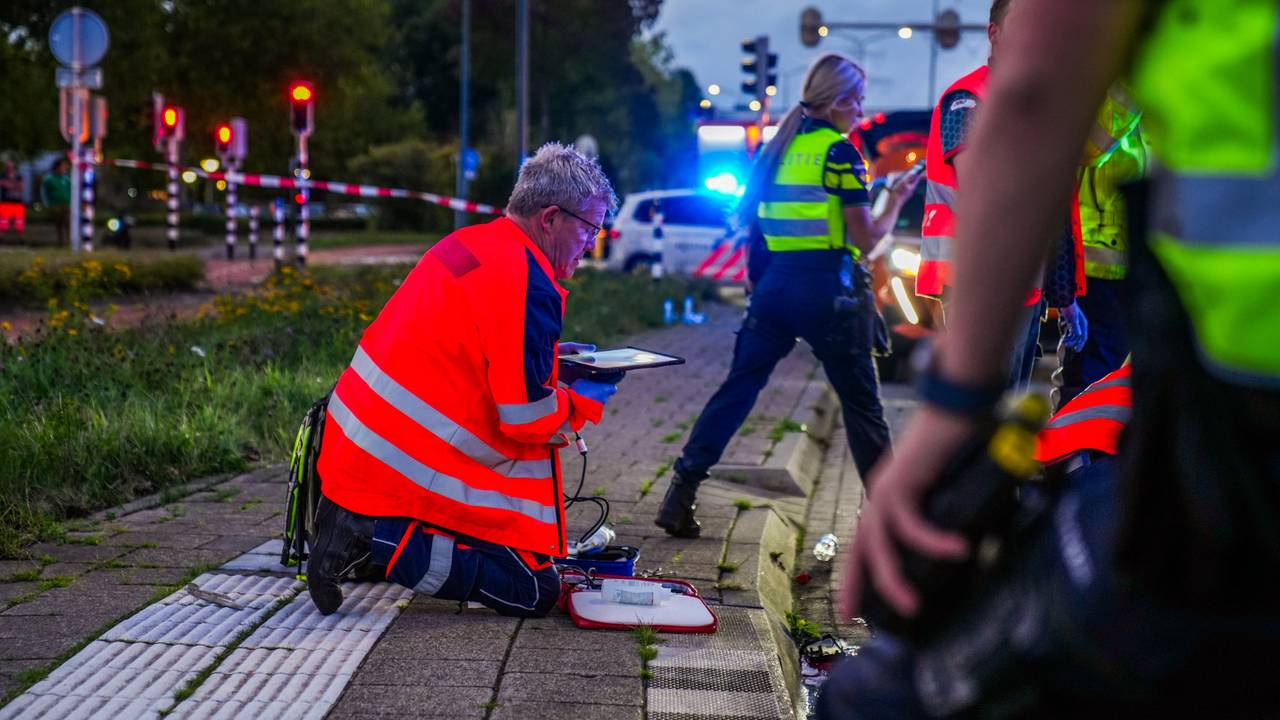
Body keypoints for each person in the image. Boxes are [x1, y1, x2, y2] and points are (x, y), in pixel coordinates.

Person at [824, 0, 1280, 715]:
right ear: (990, 33)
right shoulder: (967, 97)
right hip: (1044, 304)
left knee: (885, 700)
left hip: (1232, 403)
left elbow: (1040, 102)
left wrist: (955, 406)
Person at [307, 143, 620, 618]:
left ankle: (364, 531)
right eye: (590, 228)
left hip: (358, 446)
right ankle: (372, 535)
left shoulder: (474, 243)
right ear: (551, 217)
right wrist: (584, 398)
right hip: (401, 469)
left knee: (529, 567)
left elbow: (467, 343)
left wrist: (549, 359)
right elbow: (525, 419)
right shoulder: (528, 280)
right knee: (533, 591)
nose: (591, 243)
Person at [654, 53, 921, 538]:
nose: (861, 111)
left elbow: (757, 225)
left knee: (737, 390)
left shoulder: (775, 150)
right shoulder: (841, 153)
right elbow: (866, 240)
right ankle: (892, 528)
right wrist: (895, 201)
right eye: (858, 100)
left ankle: (680, 492)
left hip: (777, 288)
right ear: (838, 101)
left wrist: (759, 280)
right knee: (862, 409)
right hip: (830, 294)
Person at [914, 0, 1087, 391]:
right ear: (995, 34)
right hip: (976, 280)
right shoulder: (968, 99)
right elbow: (981, 186)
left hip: (1026, 283)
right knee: (978, 408)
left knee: (1005, 406)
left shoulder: (1039, 103)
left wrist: (1064, 296)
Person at [1051, 88, 1148, 408]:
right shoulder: (1107, 86)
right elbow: (1090, 146)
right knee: (1090, 379)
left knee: (1118, 379)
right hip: (1095, 260)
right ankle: (1075, 457)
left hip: (1130, 259)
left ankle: (1096, 455)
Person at [40, 158, 71, 247]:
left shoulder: (66, 179)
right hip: (55, 205)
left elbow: (70, 190)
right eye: (62, 166)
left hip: (66, 204)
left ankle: (68, 242)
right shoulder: (49, 179)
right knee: (59, 224)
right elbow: (44, 192)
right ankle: (60, 242)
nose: (64, 168)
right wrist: (47, 204)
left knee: (67, 223)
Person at [0, 160, 26, 239]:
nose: (10, 168)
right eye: (8, 167)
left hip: (18, 203)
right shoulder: (2, 175)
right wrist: (15, 185)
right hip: (6, 203)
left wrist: (11, 185)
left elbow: (21, 187)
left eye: (11, 167)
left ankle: (22, 240)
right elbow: (4, 185)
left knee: (19, 224)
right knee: (3, 224)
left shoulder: (18, 176)